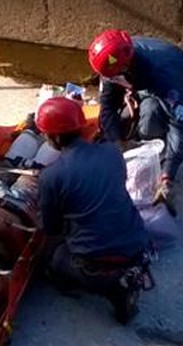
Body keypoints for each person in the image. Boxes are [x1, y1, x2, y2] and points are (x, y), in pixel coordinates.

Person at [36, 97, 153, 324]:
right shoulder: (111, 151)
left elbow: (51, 228)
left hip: (97, 262)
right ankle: (126, 276)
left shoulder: (51, 176)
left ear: (55, 137)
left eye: (44, 133)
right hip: (138, 245)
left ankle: (107, 287)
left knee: (51, 258)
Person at [88, 29, 183, 213]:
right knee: (119, 124)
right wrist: (116, 144)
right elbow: (108, 106)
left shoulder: (164, 75)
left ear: (126, 66)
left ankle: (159, 141)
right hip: (145, 84)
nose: (110, 79)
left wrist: (167, 176)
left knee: (149, 119)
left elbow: (179, 124)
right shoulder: (114, 61)